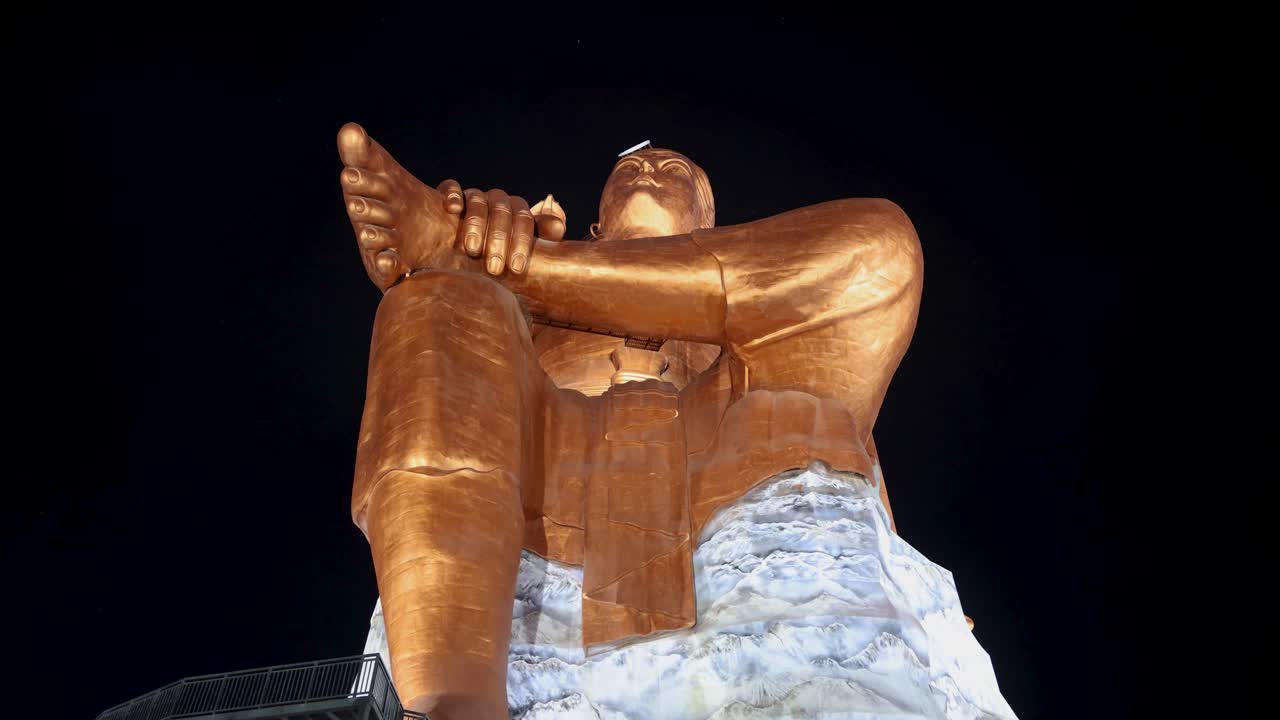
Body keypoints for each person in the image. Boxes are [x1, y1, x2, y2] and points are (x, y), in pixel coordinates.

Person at [337, 121, 922, 719]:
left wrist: (509, 262)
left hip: (725, 427)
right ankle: (451, 699)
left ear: (718, 233)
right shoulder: (543, 313)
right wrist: (476, 271)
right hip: (557, 455)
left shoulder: (748, 304)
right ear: (597, 226)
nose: (650, 173)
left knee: (882, 244)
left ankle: (511, 263)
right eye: (632, 171)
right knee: (436, 301)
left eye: (675, 173)